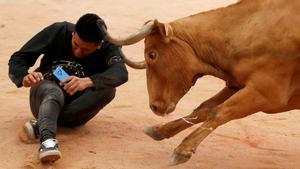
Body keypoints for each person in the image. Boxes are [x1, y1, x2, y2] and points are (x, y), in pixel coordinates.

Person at [8, 13, 128, 162]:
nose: (78, 51)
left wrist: (88, 81)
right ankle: (48, 142)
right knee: (54, 92)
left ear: (99, 45)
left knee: (108, 90)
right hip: (44, 93)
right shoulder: (58, 30)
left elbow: (121, 73)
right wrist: (23, 77)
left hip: (76, 111)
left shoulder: (109, 46)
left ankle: (43, 124)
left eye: (85, 50)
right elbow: (18, 58)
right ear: (73, 33)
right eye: (75, 44)